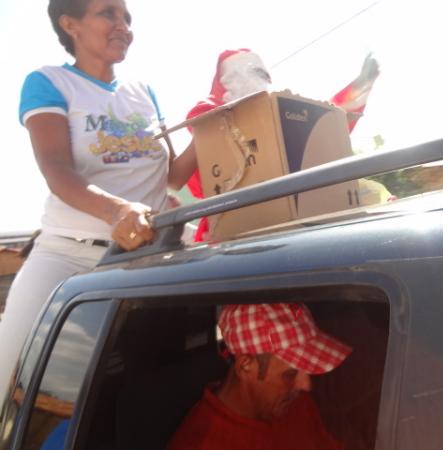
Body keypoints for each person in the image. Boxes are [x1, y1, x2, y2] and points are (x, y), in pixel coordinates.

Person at [0, 0, 197, 404]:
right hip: (67, 255)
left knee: (150, 387)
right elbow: (56, 170)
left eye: (127, 17)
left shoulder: (144, 92)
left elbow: (171, 176)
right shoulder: (49, 81)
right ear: (70, 24)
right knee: (9, 372)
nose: (122, 25)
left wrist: (214, 121)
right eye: (108, 13)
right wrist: (117, 211)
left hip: (145, 257)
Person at [184, 48, 381, 241]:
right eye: (246, 73)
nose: (254, 80)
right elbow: (201, 184)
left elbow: (323, 125)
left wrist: (359, 86)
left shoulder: (283, 116)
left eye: (260, 73)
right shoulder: (210, 127)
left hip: (299, 227)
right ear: (226, 81)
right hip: (235, 239)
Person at [168, 303, 352, 450]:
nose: (306, 385)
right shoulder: (201, 444)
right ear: (245, 366)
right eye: (290, 374)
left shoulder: (296, 405)